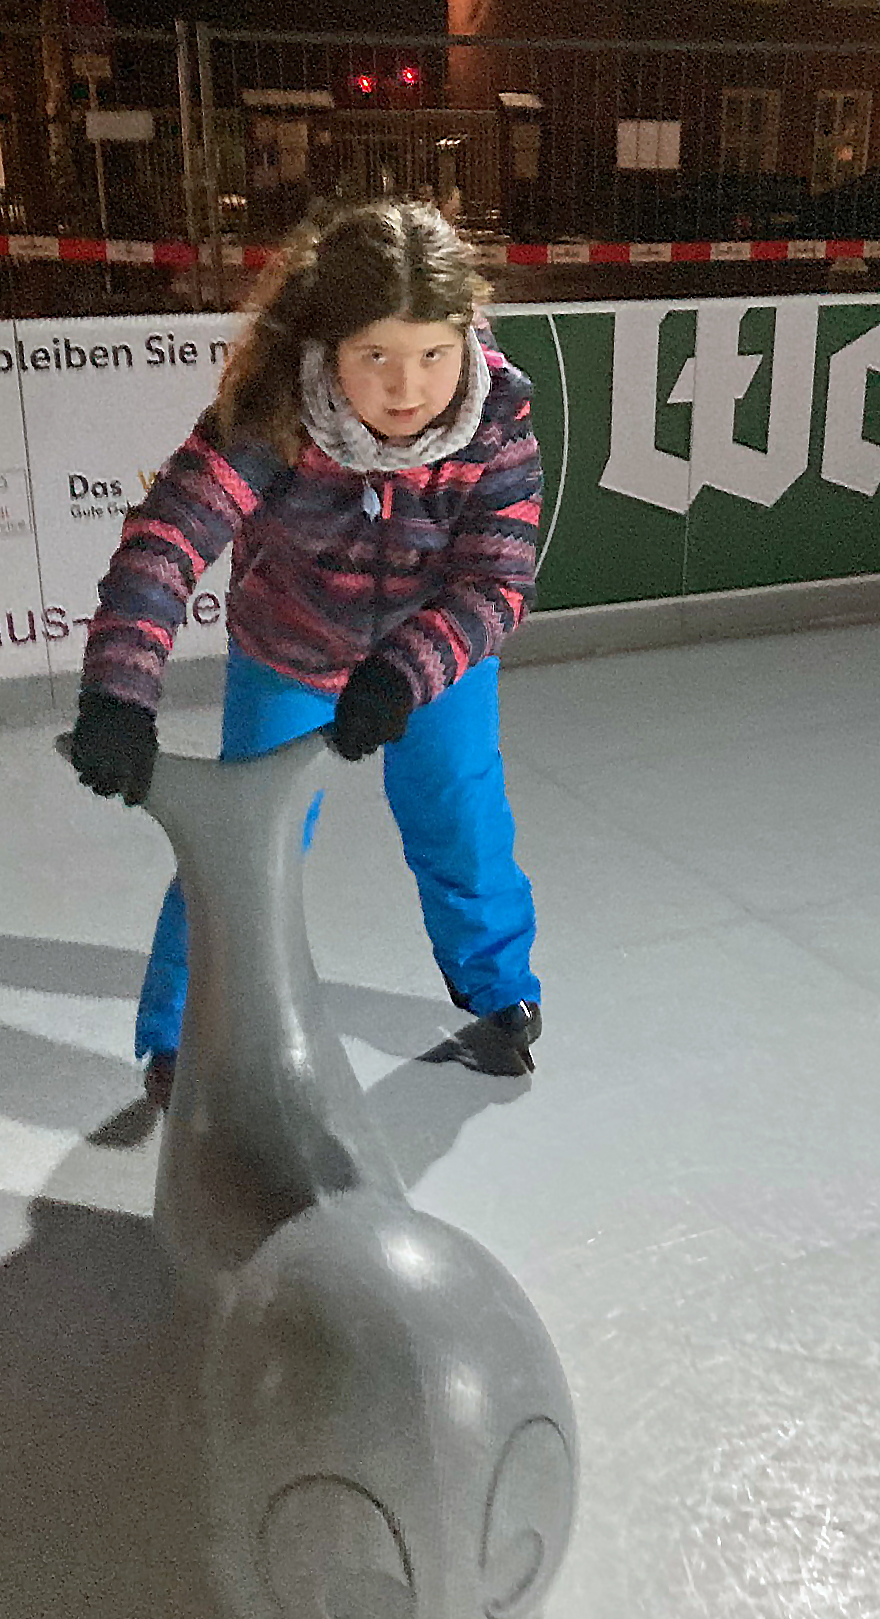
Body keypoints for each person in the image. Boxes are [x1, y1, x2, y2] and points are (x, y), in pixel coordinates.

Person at [69, 200, 544, 1107]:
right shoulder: (273, 412)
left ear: (464, 335)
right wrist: (118, 693)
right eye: (376, 356)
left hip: (436, 659)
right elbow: (168, 539)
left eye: (432, 354)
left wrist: (404, 672)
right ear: (328, 347)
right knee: (248, 846)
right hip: (289, 649)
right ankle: (181, 1030)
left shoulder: (496, 419)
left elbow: (497, 580)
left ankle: (496, 989)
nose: (408, 387)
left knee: (459, 815)